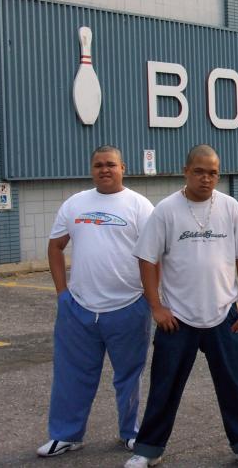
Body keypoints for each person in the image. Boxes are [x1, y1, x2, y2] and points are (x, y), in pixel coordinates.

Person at [125, 145, 238, 468]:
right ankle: (148, 449)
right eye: (199, 172)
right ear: (185, 171)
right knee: (164, 387)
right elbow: (147, 259)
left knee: (233, 386)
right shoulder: (166, 210)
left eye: (213, 173)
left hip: (224, 314)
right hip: (177, 318)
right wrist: (156, 307)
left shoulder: (229, 206)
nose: (206, 178)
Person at [38, 145, 154, 458]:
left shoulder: (140, 206)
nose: (105, 169)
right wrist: (62, 293)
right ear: (92, 169)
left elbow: (155, 254)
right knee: (71, 375)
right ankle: (66, 435)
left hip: (128, 307)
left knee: (129, 376)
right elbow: (55, 247)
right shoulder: (75, 203)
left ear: (123, 168)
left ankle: (131, 433)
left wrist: (150, 298)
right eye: (99, 165)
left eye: (111, 164)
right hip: (79, 309)